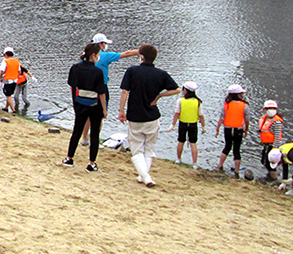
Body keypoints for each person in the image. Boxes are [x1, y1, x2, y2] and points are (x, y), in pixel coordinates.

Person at [117, 44, 180, 188]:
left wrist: (121, 110)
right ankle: (143, 175)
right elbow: (176, 90)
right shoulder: (161, 74)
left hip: (135, 115)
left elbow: (125, 92)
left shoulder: (132, 71)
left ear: (141, 57)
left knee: (136, 148)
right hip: (152, 115)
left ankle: (146, 177)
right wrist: (160, 95)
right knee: (149, 149)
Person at [80, 33, 140, 146]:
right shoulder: (105, 56)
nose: (105, 45)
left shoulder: (84, 57)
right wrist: (140, 51)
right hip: (101, 88)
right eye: (104, 43)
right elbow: (125, 54)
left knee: (87, 116)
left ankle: (84, 139)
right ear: (100, 44)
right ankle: (95, 140)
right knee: (99, 116)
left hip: (86, 88)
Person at [62, 43, 108, 172]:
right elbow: (101, 93)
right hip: (94, 104)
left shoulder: (75, 68)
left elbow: (72, 86)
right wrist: (104, 109)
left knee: (77, 130)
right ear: (93, 55)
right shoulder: (98, 72)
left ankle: (69, 158)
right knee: (94, 134)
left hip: (80, 103)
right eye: (98, 55)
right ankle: (92, 163)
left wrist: (75, 103)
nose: (99, 57)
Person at [165, 81, 206, 168]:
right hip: (193, 124)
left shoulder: (180, 101)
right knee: (193, 143)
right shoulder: (198, 102)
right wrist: (203, 126)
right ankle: (194, 163)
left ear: (186, 91)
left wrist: (172, 124)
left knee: (181, 141)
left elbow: (177, 113)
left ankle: (178, 159)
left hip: (182, 123)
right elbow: (201, 115)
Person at [215, 84, 250, 178]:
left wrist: (217, 129)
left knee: (227, 147)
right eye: (241, 93)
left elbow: (221, 118)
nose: (242, 95)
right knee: (237, 150)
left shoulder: (226, 105)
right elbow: (247, 120)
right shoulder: (244, 106)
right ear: (238, 94)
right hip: (238, 130)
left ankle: (220, 165)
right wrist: (246, 129)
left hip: (228, 129)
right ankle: (237, 171)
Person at [258, 99, 285, 181]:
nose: (271, 110)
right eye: (269, 108)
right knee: (264, 160)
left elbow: (277, 135)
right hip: (266, 144)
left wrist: (275, 148)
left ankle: (274, 178)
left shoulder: (277, 121)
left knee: (271, 163)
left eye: (273, 109)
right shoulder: (265, 119)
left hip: (272, 145)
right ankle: (270, 175)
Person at [0, 47, 20, 113]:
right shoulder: (16, 61)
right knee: (9, 95)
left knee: (8, 95)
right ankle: (6, 108)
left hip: (7, 80)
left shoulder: (5, 61)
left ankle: (13, 110)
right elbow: (19, 71)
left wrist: (1, 77)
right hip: (15, 80)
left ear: (5, 54)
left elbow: (2, 71)